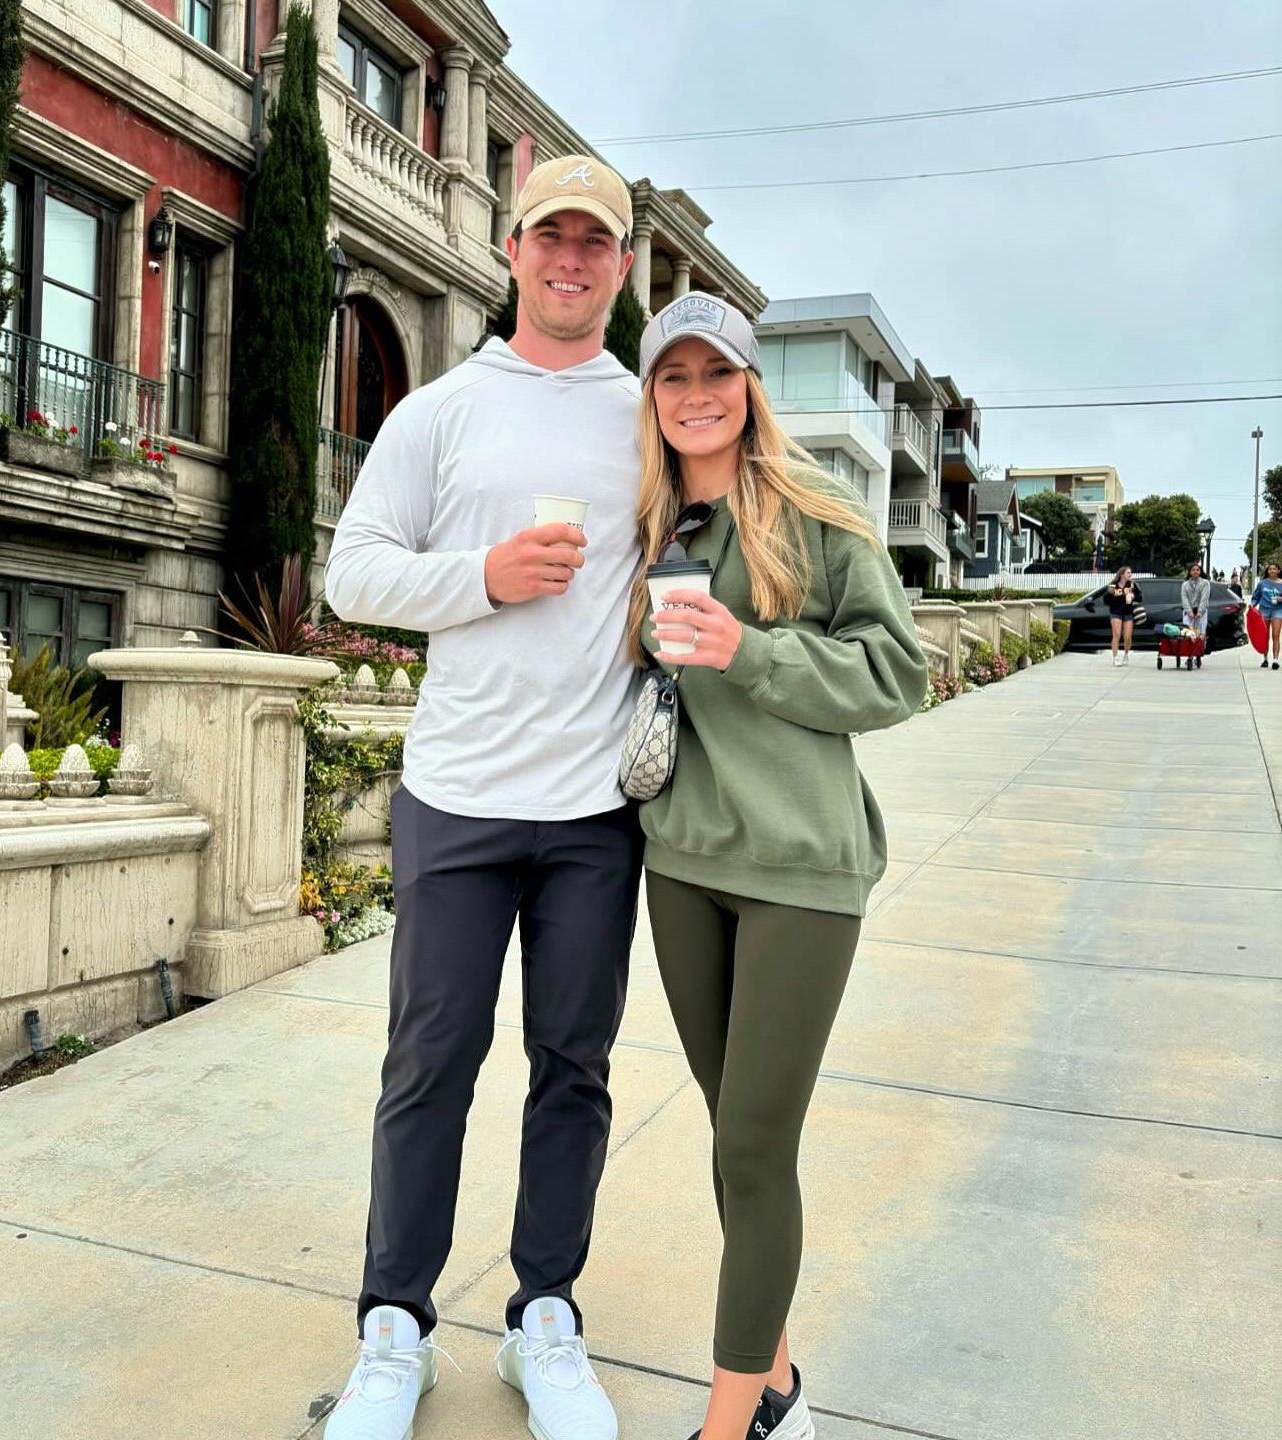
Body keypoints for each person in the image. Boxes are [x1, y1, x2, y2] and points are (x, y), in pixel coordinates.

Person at [322, 155, 643, 1440]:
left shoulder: (650, 418)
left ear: (623, 265)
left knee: (574, 1067)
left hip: (597, 809)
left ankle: (543, 1319)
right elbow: (353, 574)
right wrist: (485, 577)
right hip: (457, 795)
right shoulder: (443, 411)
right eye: (550, 236)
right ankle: (393, 1329)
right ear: (512, 250)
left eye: (595, 242)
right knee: (430, 1064)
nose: (570, 259)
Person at [628, 295, 929, 1440]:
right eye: (673, 376)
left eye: (718, 372)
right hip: (682, 865)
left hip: (800, 871)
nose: (696, 395)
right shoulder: (650, 522)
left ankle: (726, 1428)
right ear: (652, 398)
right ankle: (778, 1392)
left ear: (750, 386)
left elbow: (896, 675)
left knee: (756, 1145)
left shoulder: (816, 511)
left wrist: (748, 651)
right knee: (733, 1142)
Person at [1105, 565, 1141, 666]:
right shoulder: (1113, 585)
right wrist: (1111, 594)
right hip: (1115, 612)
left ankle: (1126, 654)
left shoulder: (1132, 585)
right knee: (1116, 634)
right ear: (1122, 574)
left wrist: (1134, 596)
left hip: (1128, 612)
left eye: (1130, 573)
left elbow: (1140, 597)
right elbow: (1106, 600)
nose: (1130, 574)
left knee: (1128, 636)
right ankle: (1115, 657)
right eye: (1128, 573)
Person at [1251, 561, 1282, 670]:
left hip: (1277, 610)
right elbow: (1256, 597)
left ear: (1278, 571)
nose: (1272, 571)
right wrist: (1252, 605)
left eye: (1274, 569)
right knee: (1265, 635)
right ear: (1268, 571)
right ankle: (1265, 659)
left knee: (1276, 635)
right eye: (1270, 569)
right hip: (1264, 610)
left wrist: (1280, 599)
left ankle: (1275, 660)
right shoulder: (1262, 583)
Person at [1180, 562, 1209, 669]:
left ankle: (1198, 655)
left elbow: (1204, 598)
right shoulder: (1185, 585)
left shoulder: (1205, 583)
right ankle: (1190, 656)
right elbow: (1184, 598)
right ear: (1190, 572)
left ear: (1200, 571)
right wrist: (1189, 612)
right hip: (1189, 612)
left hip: (1201, 612)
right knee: (1189, 633)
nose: (1195, 572)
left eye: (1197, 570)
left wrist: (1200, 611)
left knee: (1200, 634)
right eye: (1193, 570)